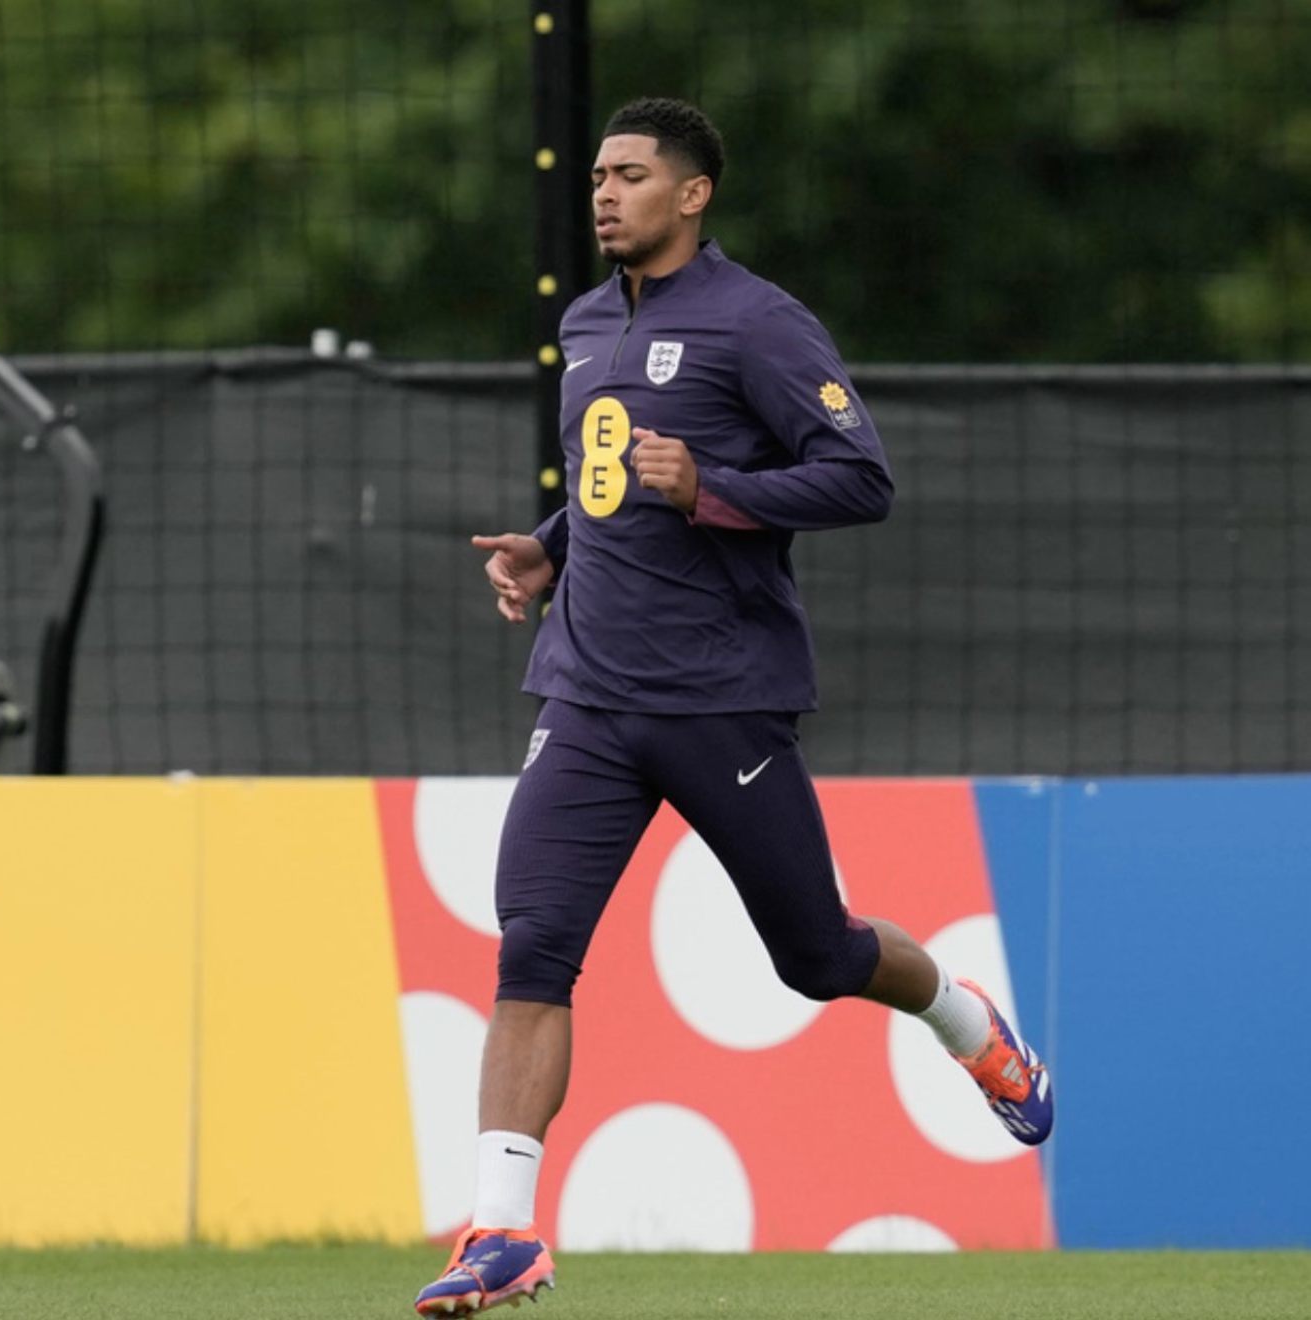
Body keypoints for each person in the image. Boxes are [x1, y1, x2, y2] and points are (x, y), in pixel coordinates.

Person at [413, 97, 1053, 1317]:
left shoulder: (759, 322)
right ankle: (500, 1232)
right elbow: (608, 477)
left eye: (631, 176)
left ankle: (971, 1024)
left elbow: (862, 479)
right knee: (533, 949)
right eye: (597, 175)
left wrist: (712, 488)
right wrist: (551, 549)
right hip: (585, 693)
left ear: (692, 195)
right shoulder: (588, 320)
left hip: (720, 701)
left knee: (816, 956)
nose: (604, 193)